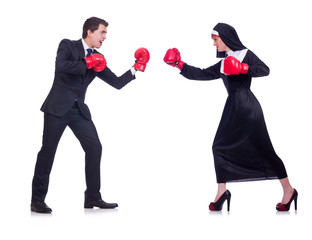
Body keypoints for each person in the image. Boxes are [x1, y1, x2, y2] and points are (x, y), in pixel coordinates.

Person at [163, 23, 297, 212]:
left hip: (247, 106)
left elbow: (265, 70)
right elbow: (202, 74)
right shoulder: (225, 61)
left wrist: (243, 68)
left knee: (258, 149)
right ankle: (224, 192)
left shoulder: (245, 55)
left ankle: (285, 190)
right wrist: (179, 64)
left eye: (215, 40)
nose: (214, 44)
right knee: (225, 147)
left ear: (225, 38)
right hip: (234, 106)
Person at [31, 17, 150, 213]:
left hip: (79, 111)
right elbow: (61, 66)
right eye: (102, 32)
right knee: (48, 152)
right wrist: (86, 62)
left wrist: (135, 67)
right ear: (90, 32)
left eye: (105, 33)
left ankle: (93, 197)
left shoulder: (99, 58)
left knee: (95, 148)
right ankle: (37, 201)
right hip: (57, 108)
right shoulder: (67, 45)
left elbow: (117, 83)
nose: (105, 37)